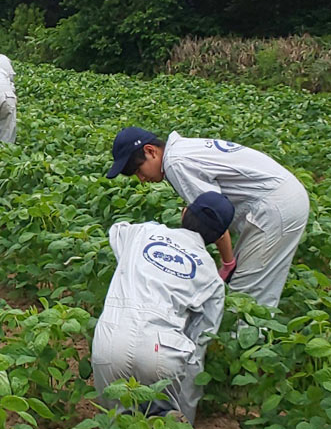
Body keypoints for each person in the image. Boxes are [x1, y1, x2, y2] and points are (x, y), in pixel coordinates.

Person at [106, 127, 309, 310]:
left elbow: (214, 217)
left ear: (151, 151)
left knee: (246, 297)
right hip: (281, 199)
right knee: (252, 284)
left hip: (275, 207)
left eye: (138, 170)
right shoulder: (181, 151)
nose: (141, 179)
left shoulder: (176, 163)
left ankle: (248, 344)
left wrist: (227, 265)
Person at [92, 191, 234, 426]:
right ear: (220, 236)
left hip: (112, 338)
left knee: (116, 427)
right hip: (161, 350)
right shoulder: (211, 277)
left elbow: (116, 230)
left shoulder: (144, 232)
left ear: (184, 212)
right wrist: (187, 415)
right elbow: (199, 345)